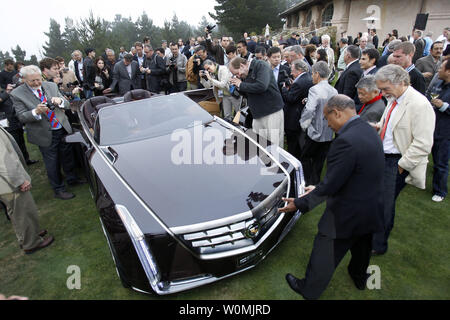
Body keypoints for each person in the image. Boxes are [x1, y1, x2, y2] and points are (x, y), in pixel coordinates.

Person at [281, 94, 385, 300]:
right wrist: (320, 187)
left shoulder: (345, 141)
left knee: (325, 250)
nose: (328, 125)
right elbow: (354, 173)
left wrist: (300, 203)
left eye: (328, 119)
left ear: (337, 113)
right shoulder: (368, 129)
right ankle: (358, 277)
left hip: (346, 214)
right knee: (362, 247)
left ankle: (309, 289)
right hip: (371, 208)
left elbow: (331, 184)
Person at [371, 64, 435, 255]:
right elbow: (391, 122)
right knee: (378, 201)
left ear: (400, 82)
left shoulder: (419, 104)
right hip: (383, 157)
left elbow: (423, 144)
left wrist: (401, 166)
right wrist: (379, 127)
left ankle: (378, 245)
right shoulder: (394, 98)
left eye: (385, 89)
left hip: (396, 162)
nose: (382, 93)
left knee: (385, 205)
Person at [11, 65, 85, 200]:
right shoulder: (17, 94)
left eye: (38, 79)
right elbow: (21, 116)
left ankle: (72, 179)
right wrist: (35, 112)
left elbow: (67, 105)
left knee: (67, 156)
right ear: (24, 80)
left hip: (62, 127)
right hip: (43, 133)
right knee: (52, 162)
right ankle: (58, 189)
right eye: (32, 81)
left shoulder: (51, 86)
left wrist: (60, 101)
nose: (36, 83)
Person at [0, 126, 55, 254]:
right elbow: (3, 161)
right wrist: (19, 180)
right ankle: (31, 243)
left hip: (5, 184)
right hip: (9, 183)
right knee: (24, 211)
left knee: (16, 212)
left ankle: (27, 236)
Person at [229, 57, 284, 147]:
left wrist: (241, 84)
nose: (237, 76)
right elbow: (248, 93)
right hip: (257, 113)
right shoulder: (244, 74)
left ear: (242, 66)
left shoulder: (261, 65)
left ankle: (276, 161)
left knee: (274, 143)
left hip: (271, 112)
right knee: (260, 144)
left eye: (236, 73)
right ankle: (264, 161)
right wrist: (237, 87)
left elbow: (262, 86)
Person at [300, 61, 338, 185]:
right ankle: (315, 183)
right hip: (328, 132)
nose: (311, 76)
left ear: (317, 74)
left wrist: (304, 125)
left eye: (312, 74)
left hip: (315, 132)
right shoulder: (334, 90)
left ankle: (306, 182)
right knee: (319, 160)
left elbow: (310, 109)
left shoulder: (314, 89)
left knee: (305, 157)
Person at [281, 59, 313, 160]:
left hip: (293, 118)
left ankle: (292, 162)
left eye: (292, 70)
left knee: (293, 145)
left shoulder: (299, 82)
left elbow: (290, 98)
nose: (291, 72)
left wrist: (284, 89)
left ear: (299, 70)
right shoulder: (307, 77)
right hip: (300, 115)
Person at [428, 56, 450, 202]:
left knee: (441, 162)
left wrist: (443, 106)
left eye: (441, 68)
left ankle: (440, 191)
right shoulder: (439, 83)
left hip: (444, 131)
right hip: (432, 125)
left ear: (448, 71)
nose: (439, 70)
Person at [0, 84, 37, 165]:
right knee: (13, 143)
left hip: (15, 119)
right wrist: (7, 92)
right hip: (6, 123)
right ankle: (17, 163)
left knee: (21, 141)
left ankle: (26, 160)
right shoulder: (4, 93)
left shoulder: (3, 90)